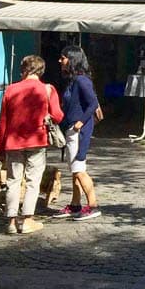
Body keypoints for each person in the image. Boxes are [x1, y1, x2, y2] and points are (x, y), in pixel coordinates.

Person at [0, 55, 62, 235]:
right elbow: (58, 115)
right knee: (33, 181)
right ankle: (27, 220)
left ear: (23, 69)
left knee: (13, 181)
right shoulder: (47, 89)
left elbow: (3, 122)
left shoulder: (10, 90)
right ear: (41, 70)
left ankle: (11, 221)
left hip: (13, 142)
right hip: (37, 140)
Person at [52, 46, 101, 221]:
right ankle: (75, 204)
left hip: (78, 131)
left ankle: (93, 205)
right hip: (72, 129)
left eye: (63, 57)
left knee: (79, 169)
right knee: (74, 170)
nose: (60, 60)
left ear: (72, 59)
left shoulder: (81, 80)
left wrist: (80, 122)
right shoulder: (73, 80)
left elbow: (93, 103)